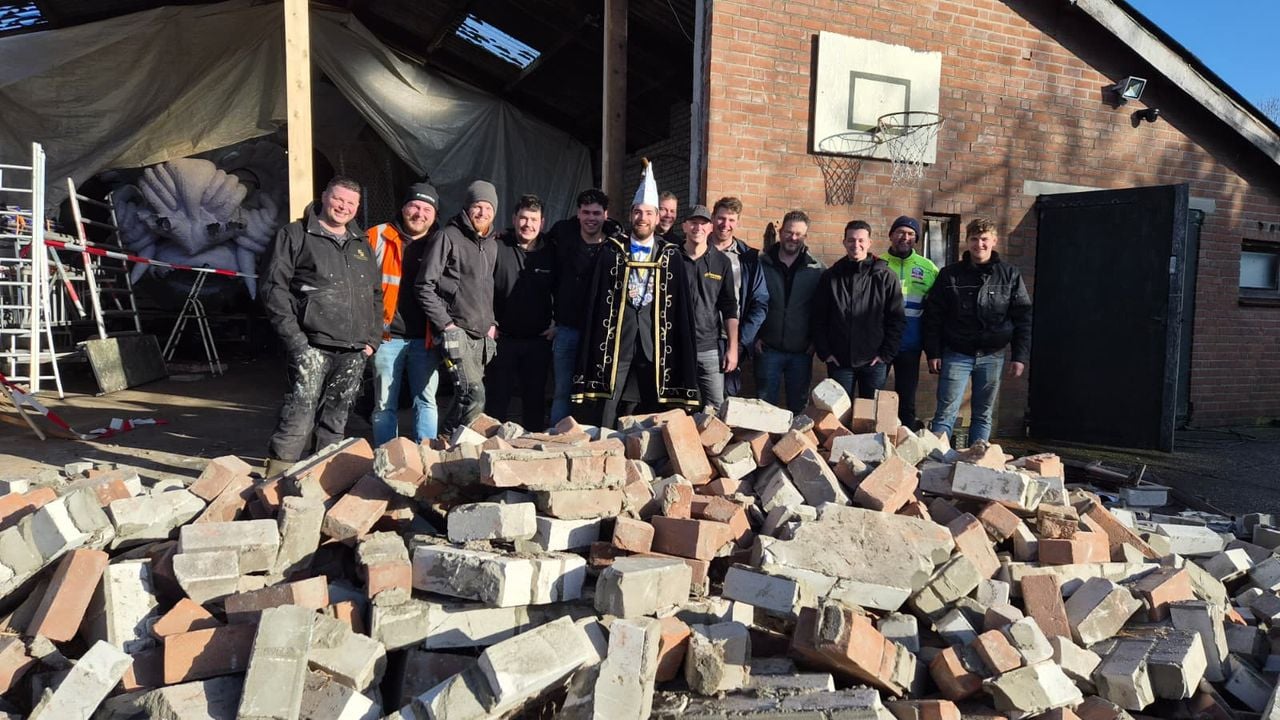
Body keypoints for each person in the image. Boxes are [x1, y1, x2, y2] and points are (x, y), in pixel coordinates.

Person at [261, 176, 381, 475]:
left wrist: (372, 340)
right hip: (311, 345)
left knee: (336, 419)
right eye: (339, 199)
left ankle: (324, 480)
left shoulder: (361, 243)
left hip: (353, 349)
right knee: (298, 415)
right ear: (325, 196)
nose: (344, 207)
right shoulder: (296, 234)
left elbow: (376, 295)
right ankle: (275, 486)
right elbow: (274, 288)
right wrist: (296, 341)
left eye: (351, 203)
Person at [572, 163, 700, 428]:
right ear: (631, 215)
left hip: (653, 340)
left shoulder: (671, 254)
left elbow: (681, 307)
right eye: (638, 212)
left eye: (648, 213)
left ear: (657, 218)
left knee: (652, 399)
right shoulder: (611, 250)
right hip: (618, 339)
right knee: (609, 399)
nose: (642, 218)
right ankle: (603, 445)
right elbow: (596, 301)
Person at [923, 217, 1032, 446]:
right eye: (974, 239)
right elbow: (934, 317)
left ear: (994, 241)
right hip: (956, 353)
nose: (979, 244)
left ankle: (978, 463)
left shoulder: (1009, 275)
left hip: (992, 355)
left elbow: (1022, 318)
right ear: (967, 241)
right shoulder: (950, 275)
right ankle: (936, 460)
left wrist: (1019, 356)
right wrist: (933, 352)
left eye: (984, 239)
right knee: (945, 413)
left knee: (983, 414)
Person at [416, 180, 500, 434]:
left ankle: (453, 448)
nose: (482, 213)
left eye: (488, 208)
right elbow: (424, 285)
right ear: (467, 208)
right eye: (477, 206)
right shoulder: (447, 237)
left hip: (481, 335)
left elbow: (487, 289)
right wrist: (447, 324)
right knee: (474, 394)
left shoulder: (491, 244)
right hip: (456, 331)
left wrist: (492, 325)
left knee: (466, 396)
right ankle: (445, 441)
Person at [367, 182, 442, 446]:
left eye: (427, 208)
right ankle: (387, 458)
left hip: (426, 338)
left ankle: (427, 460)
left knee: (425, 400)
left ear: (434, 214)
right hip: (387, 337)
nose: (419, 213)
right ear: (403, 207)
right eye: (414, 206)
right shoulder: (377, 236)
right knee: (384, 404)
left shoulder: (441, 242)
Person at [485, 194, 558, 430]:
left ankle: (532, 455)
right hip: (502, 340)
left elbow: (564, 290)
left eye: (533, 219)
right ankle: (490, 452)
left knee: (535, 404)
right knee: (496, 403)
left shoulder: (552, 251)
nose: (528, 224)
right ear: (514, 219)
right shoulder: (497, 246)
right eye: (523, 218)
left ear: (542, 222)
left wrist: (557, 322)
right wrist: (488, 322)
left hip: (539, 341)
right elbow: (482, 287)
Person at [811, 220, 905, 399]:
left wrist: (885, 355)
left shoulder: (885, 276)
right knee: (838, 417)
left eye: (861, 240)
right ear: (844, 242)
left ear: (869, 243)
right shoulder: (830, 277)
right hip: (840, 361)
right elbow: (818, 318)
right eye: (851, 240)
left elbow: (897, 319)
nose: (856, 245)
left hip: (874, 362)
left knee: (869, 417)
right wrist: (826, 353)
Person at [548, 188, 616, 425]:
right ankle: (557, 440)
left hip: (601, 333)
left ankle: (592, 441)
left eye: (596, 213)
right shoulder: (562, 236)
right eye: (586, 212)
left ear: (605, 215)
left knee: (596, 392)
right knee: (562, 391)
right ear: (578, 213)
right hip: (566, 330)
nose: (591, 218)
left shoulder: (615, 245)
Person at [755, 210, 825, 414]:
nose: (792, 238)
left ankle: (796, 446)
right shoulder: (761, 264)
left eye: (798, 234)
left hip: (801, 352)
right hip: (768, 349)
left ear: (805, 237)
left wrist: (815, 343)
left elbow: (822, 311)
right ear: (780, 231)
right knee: (765, 408)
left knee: (799, 408)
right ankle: (763, 444)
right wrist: (755, 337)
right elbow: (749, 302)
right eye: (788, 232)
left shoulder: (817, 269)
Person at [679, 205, 739, 410]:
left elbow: (730, 307)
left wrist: (732, 348)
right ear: (684, 226)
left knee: (715, 409)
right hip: (676, 348)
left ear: (710, 227)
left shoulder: (721, 262)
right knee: (677, 408)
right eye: (693, 222)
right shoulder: (671, 258)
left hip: (709, 349)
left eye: (703, 223)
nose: (698, 227)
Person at [882, 215, 939, 430]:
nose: (904, 237)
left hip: (911, 345)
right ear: (891, 235)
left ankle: (906, 445)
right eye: (900, 232)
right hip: (881, 344)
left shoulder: (928, 268)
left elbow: (936, 311)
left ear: (916, 239)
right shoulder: (878, 264)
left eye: (910, 234)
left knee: (907, 400)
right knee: (875, 398)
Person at [710, 197, 768, 396]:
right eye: (721, 218)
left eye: (731, 220)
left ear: (738, 222)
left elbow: (760, 303)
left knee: (727, 399)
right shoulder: (696, 250)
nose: (725, 225)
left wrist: (741, 342)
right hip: (699, 339)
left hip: (731, 340)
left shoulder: (748, 259)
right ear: (712, 218)